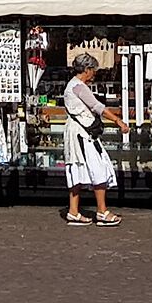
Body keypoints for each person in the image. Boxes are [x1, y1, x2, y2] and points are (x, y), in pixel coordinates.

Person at [63, 56, 124, 226]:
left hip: (77, 133)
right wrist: (118, 121)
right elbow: (98, 107)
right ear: (86, 70)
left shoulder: (72, 85)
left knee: (77, 169)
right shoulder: (79, 87)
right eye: (93, 71)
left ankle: (74, 211)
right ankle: (102, 211)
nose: (94, 74)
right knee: (99, 168)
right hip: (82, 135)